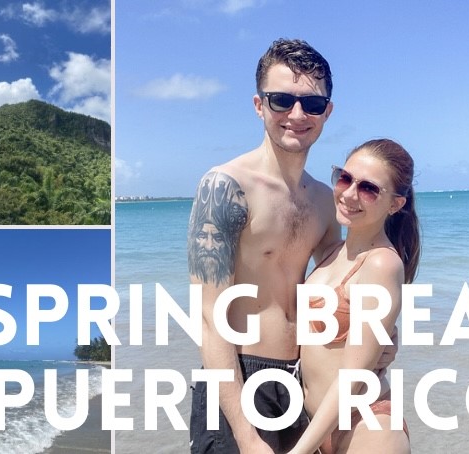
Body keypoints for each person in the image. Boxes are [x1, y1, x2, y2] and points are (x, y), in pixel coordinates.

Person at [187, 38, 341, 454]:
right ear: (259, 105)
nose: (296, 114)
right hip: (238, 379)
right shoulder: (225, 187)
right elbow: (209, 319)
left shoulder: (326, 201)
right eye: (281, 100)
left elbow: (339, 292)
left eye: (311, 103)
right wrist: (246, 435)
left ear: (327, 111)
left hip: (302, 378)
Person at [288, 139, 420, 454]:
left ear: (395, 204)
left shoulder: (382, 264)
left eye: (369, 188)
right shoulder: (332, 252)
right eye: (345, 178)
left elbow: (352, 377)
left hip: (368, 428)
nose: (349, 194)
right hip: (320, 430)